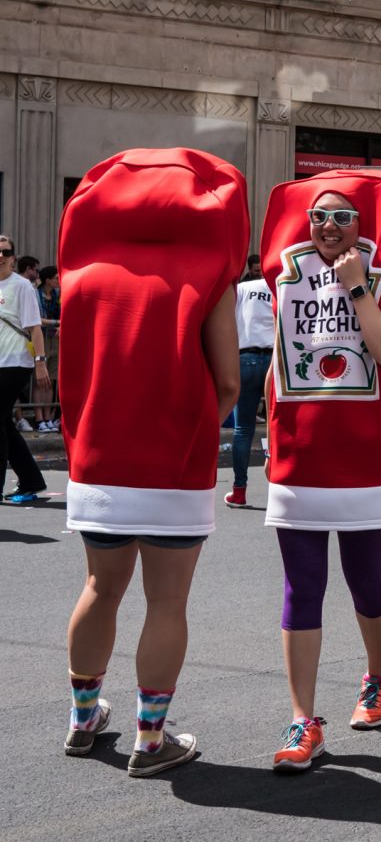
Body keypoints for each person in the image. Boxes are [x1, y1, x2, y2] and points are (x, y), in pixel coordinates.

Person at [60, 148, 245, 777]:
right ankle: (150, 738)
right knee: (167, 602)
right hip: (174, 458)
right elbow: (226, 383)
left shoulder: (82, 271)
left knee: (98, 588)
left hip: (98, 453)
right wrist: (193, 431)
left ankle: (85, 718)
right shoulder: (208, 274)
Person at [261, 172, 381, 772]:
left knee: (365, 580)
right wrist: (271, 430)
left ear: (366, 230)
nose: (329, 227)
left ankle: (376, 675)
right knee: (301, 586)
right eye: (319, 217)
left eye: (343, 218)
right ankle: (300, 718)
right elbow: (279, 359)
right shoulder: (290, 282)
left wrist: (359, 287)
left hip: (365, 453)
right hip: (302, 451)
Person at [0, 235, 50, 503]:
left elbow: (34, 328)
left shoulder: (22, 287)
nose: (1, 256)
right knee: (4, 424)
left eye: (5, 252)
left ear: (13, 258)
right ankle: (31, 480)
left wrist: (40, 363)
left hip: (16, 363)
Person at [224, 254, 273, 509]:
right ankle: (279, 486)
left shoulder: (241, 289)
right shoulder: (279, 286)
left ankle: (239, 490)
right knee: (278, 426)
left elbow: (228, 322)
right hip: (275, 359)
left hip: (245, 358)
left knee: (243, 429)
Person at [33, 265, 61, 432]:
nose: (59, 281)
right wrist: (58, 323)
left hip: (54, 339)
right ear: (48, 280)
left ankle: (48, 417)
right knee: (39, 381)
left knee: (50, 380)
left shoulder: (58, 295)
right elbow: (37, 319)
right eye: (56, 278)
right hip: (41, 338)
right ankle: (38, 418)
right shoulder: (36, 295)